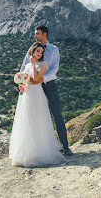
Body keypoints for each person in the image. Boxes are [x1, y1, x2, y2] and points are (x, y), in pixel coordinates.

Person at [20, 25, 74, 156]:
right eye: (35, 34)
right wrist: (21, 82)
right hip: (32, 88)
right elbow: (24, 67)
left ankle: (65, 147)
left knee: (57, 115)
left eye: (37, 34)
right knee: (34, 117)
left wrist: (42, 79)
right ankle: (37, 149)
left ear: (44, 35)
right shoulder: (32, 49)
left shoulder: (54, 49)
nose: (35, 36)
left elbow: (54, 68)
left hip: (49, 85)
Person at [9, 42, 65, 167]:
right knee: (27, 119)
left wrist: (34, 64)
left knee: (38, 119)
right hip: (27, 94)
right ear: (32, 52)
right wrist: (21, 82)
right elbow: (24, 78)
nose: (39, 54)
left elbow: (34, 79)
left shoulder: (43, 64)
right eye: (37, 51)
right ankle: (26, 151)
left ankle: (39, 152)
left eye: (41, 52)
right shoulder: (27, 64)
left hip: (37, 94)